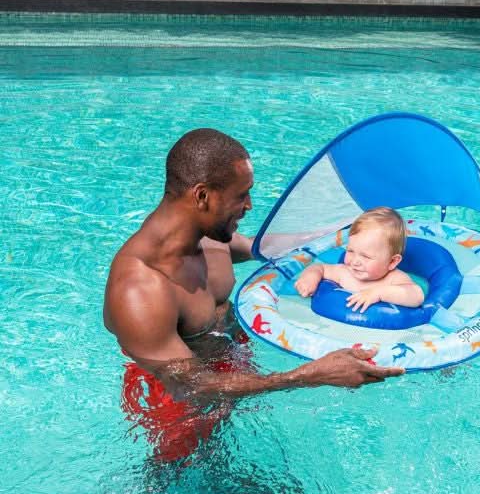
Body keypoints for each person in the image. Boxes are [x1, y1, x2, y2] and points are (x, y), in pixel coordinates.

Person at [103, 129, 404, 461]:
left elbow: (262, 248)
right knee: (185, 482)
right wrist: (311, 375)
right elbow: (191, 386)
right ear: (202, 196)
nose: (249, 206)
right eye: (241, 195)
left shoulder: (209, 235)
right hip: (179, 404)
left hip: (232, 368)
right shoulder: (140, 288)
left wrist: (346, 232)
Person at [295, 207, 425, 312]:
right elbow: (319, 268)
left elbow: (417, 295)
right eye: (350, 251)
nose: (355, 261)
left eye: (365, 256)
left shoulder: (394, 279)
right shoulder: (344, 272)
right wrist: (310, 277)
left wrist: (379, 293)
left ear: (392, 262)